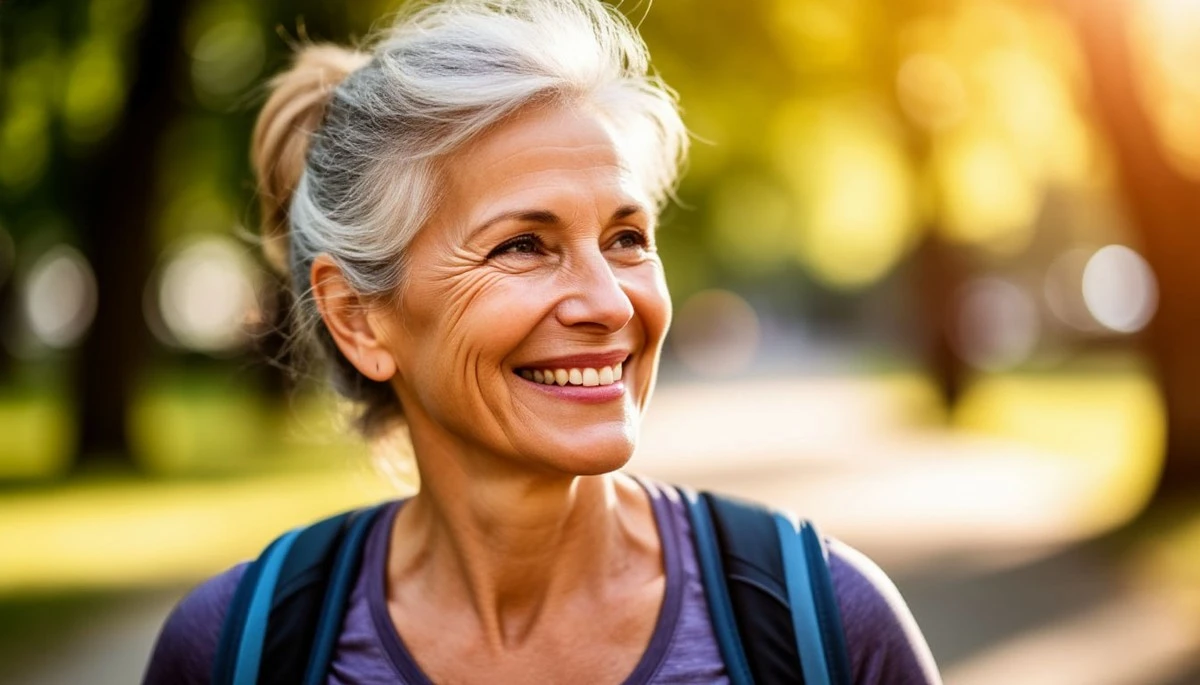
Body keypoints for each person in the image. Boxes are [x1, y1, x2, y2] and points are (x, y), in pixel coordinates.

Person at [144, 0, 942, 683]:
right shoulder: (233, 651)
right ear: (358, 317)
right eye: (523, 244)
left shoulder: (822, 623)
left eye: (627, 237)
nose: (607, 301)